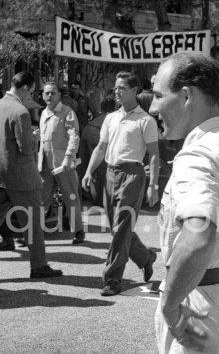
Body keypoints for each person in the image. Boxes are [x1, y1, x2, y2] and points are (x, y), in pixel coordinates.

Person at [150, 52, 219, 354]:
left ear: (186, 96)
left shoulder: (197, 155)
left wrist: (171, 304)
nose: (153, 107)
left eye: (158, 96)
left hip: (200, 304)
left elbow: (199, 238)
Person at [0, 71, 62, 278]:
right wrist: (33, 137)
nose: (30, 96)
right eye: (31, 92)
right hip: (21, 176)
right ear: (24, 88)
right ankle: (39, 265)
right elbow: (25, 148)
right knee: (32, 221)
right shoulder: (20, 111)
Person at [82, 71, 159, 296]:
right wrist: (89, 172)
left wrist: (153, 186)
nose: (117, 91)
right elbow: (101, 148)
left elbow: (154, 154)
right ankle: (146, 257)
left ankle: (113, 279)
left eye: (122, 88)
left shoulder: (146, 120)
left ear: (135, 91)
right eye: (115, 88)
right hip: (109, 173)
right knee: (117, 228)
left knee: (122, 227)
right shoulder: (110, 118)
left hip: (133, 175)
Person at [38, 82, 85, 244]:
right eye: (46, 93)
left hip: (63, 164)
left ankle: (78, 231)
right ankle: (34, 233)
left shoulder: (67, 112)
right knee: (41, 199)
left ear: (59, 95)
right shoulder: (44, 113)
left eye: (52, 93)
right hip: (45, 164)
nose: (49, 96)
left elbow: (74, 136)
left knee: (71, 197)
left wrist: (68, 157)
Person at [78, 97, 116, 206]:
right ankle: (101, 199)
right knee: (102, 169)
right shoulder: (112, 117)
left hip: (87, 130)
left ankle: (84, 195)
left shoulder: (101, 116)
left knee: (84, 164)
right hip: (96, 133)